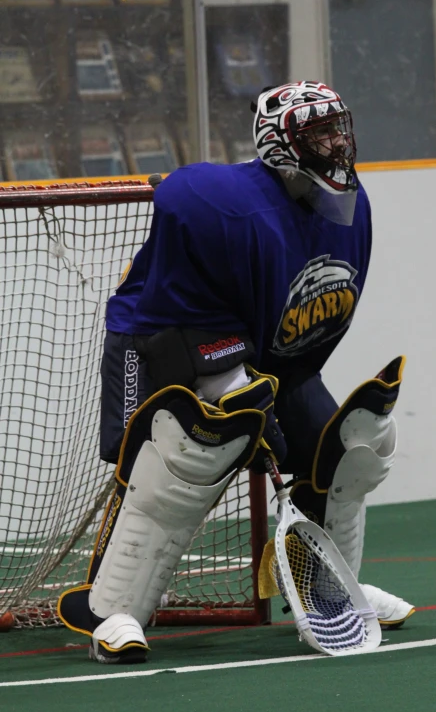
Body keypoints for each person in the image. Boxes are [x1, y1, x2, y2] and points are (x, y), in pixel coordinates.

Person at [58, 80, 413, 663]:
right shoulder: (221, 203)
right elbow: (188, 306)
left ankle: (335, 591)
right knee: (185, 456)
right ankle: (112, 608)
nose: (337, 142)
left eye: (338, 127)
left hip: (263, 352)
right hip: (159, 335)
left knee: (346, 447)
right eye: (318, 133)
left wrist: (277, 388)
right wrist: (244, 390)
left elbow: (309, 322)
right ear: (279, 144)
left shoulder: (349, 205)